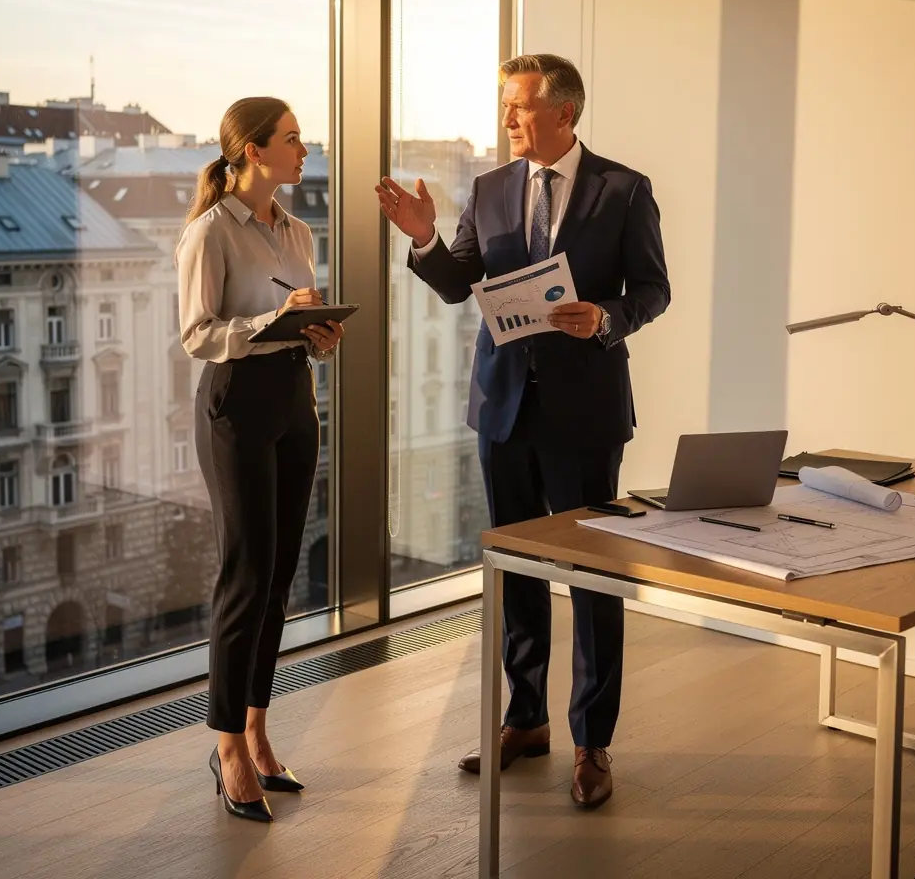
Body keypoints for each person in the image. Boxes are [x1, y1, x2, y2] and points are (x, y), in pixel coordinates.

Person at [376, 54, 670, 810]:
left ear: (563, 112)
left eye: (520, 105)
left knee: (593, 578)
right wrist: (423, 239)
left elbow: (653, 289)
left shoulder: (623, 189)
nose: (507, 118)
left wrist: (605, 318)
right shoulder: (490, 189)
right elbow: (456, 285)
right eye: (504, 104)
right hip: (502, 408)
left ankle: (593, 741)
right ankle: (526, 719)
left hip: (585, 413)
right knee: (517, 569)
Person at [177, 97, 344, 822]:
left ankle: (256, 729)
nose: (304, 150)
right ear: (253, 151)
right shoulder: (210, 232)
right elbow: (197, 334)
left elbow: (293, 326)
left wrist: (316, 335)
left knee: (278, 578)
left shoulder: (298, 230)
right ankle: (225, 747)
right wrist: (274, 322)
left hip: (294, 401)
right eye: (292, 139)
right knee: (244, 576)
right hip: (236, 406)